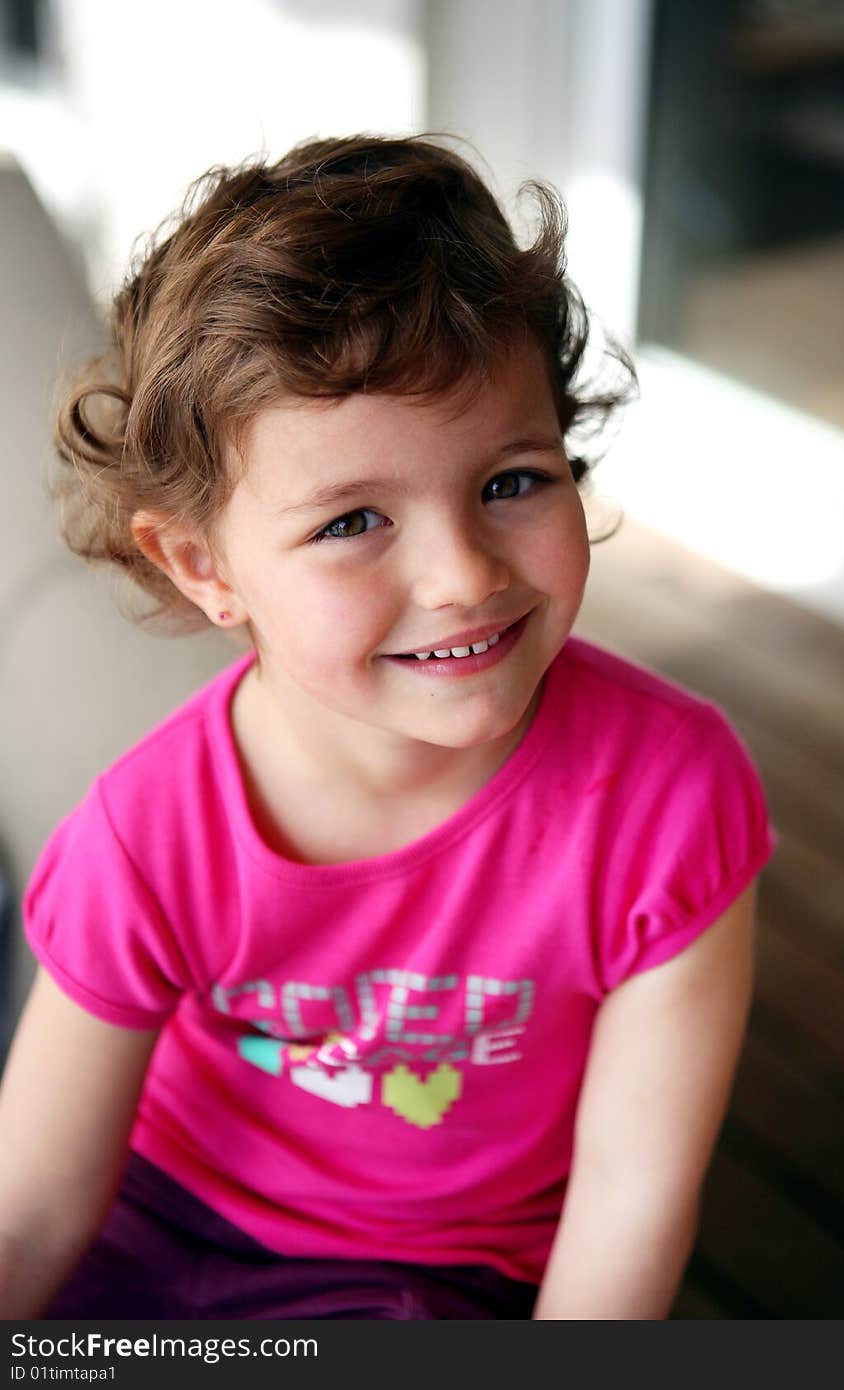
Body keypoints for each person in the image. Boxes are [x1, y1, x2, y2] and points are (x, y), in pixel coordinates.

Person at [0, 134, 776, 1320]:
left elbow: (626, 1208)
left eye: (512, 480)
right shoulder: (146, 832)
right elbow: (35, 1208)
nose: (462, 576)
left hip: (431, 1279)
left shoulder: (667, 796)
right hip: (147, 1233)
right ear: (204, 564)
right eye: (354, 517)